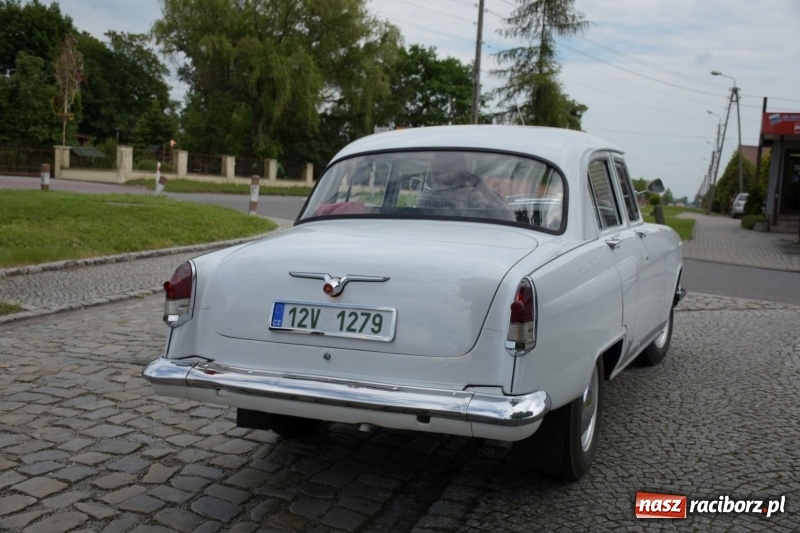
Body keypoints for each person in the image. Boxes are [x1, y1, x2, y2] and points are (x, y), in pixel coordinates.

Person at [416, 152, 506, 210]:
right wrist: (480, 185)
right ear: (462, 173)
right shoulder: (470, 200)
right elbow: (502, 209)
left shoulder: (423, 198)